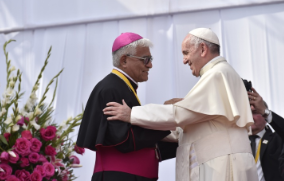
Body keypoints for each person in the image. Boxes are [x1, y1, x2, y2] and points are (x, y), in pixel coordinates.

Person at [103, 28, 259, 181]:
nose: (184, 60)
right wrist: (146, 128)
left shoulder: (217, 74)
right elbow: (185, 129)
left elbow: (180, 115)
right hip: (218, 163)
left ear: (203, 49)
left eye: (186, 53)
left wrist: (133, 114)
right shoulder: (218, 74)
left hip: (222, 165)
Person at [76, 32, 174, 181]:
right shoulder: (111, 89)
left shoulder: (122, 86)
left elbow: (141, 137)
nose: (150, 65)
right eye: (145, 59)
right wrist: (167, 118)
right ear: (124, 60)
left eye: (150, 59)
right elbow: (125, 140)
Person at [246, 84, 284, 181]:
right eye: (247, 113)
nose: (250, 117)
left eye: (255, 112)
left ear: (264, 117)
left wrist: (266, 112)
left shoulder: (277, 139)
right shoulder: (237, 142)